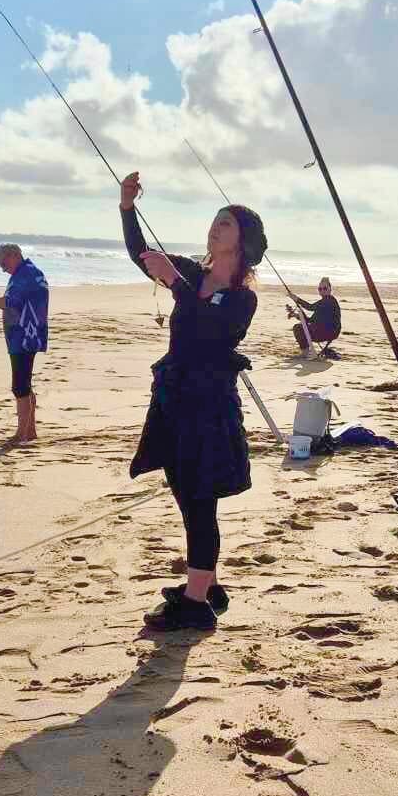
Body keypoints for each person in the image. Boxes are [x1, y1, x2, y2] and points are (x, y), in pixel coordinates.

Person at [119, 169, 266, 634]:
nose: (215, 227)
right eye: (215, 221)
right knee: (184, 493)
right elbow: (140, 255)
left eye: (226, 224)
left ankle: (195, 604)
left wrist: (176, 285)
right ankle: (208, 584)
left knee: (202, 502)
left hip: (209, 408)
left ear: (242, 242)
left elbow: (210, 333)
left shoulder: (242, 298)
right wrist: (127, 207)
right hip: (173, 400)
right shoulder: (192, 271)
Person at [0, 243, 48, 444]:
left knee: (20, 386)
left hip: (24, 336)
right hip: (28, 334)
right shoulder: (30, 272)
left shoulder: (25, 274)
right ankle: (30, 431)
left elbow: (10, 302)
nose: (2, 268)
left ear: (15, 255)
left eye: (3, 262)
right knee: (24, 383)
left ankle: (22, 434)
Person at [289, 277, 342, 356]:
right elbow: (310, 320)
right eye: (320, 289)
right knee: (301, 327)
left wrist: (296, 299)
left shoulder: (329, 301)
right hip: (328, 332)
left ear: (330, 289)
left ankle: (305, 351)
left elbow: (310, 307)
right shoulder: (323, 303)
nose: (322, 291)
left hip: (327, 332)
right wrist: (297, 315)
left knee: (298, 328)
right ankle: (306, 351)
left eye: (325, 288)